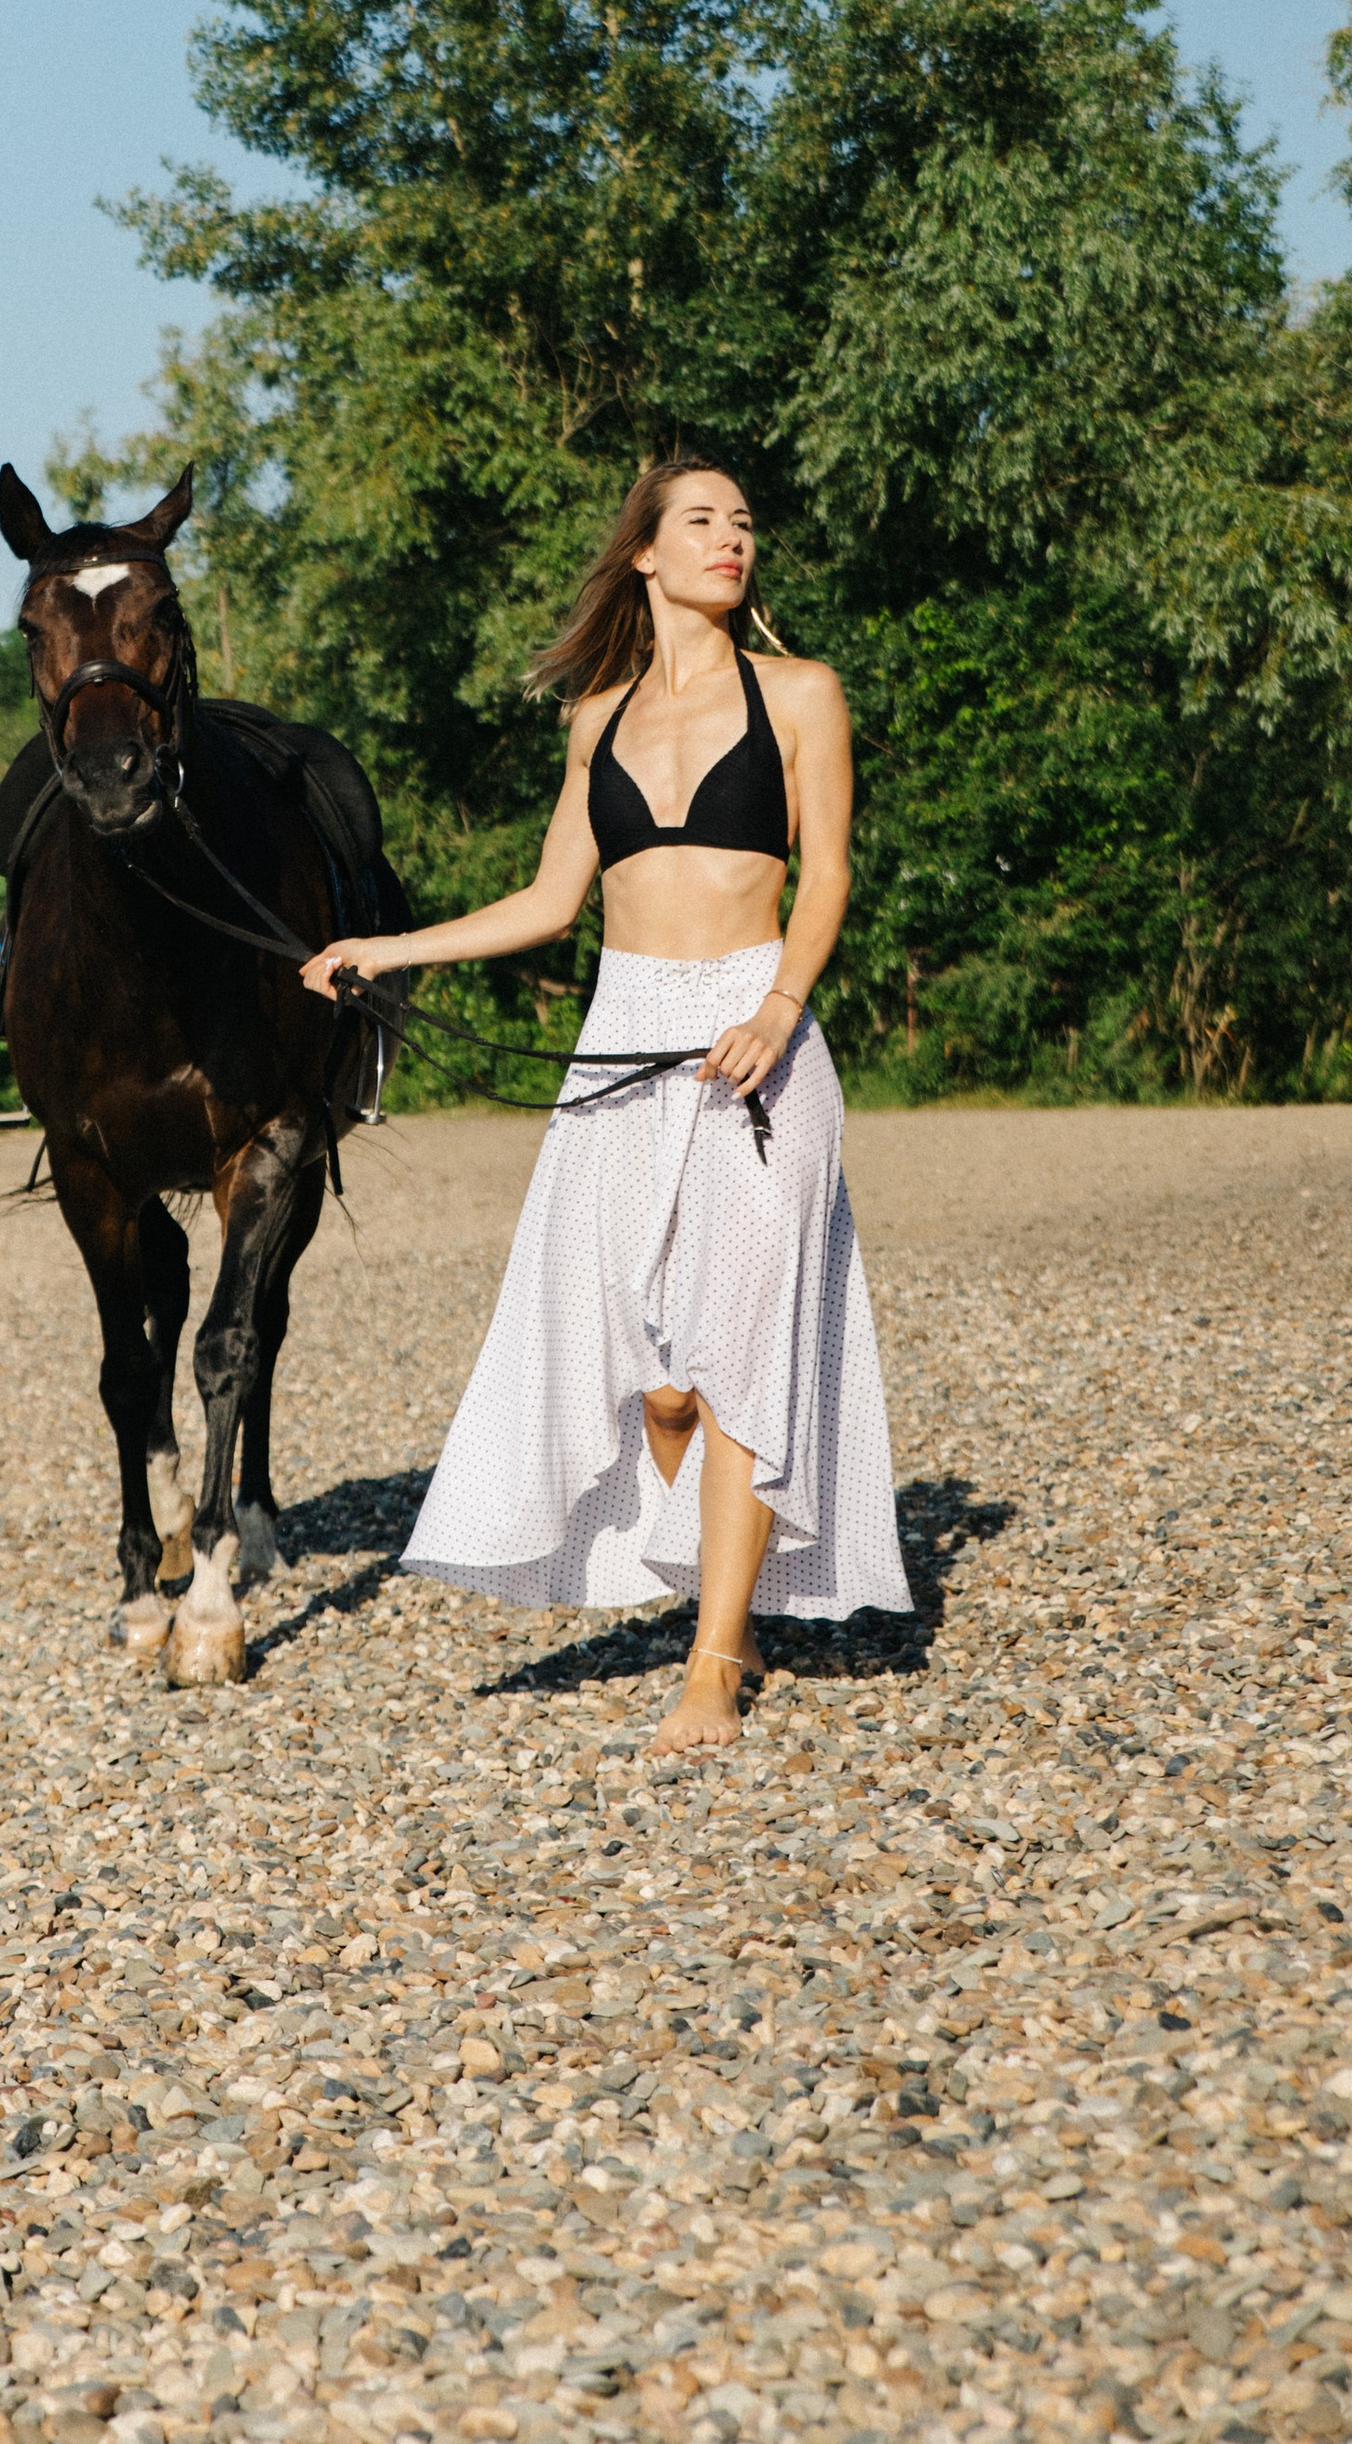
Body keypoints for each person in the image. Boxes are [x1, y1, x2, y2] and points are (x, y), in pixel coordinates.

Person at [301, 461, 909, 1753]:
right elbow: (548, 905)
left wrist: (783, 1006)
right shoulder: (598, 719)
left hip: (758, 1033)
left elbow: (830, 869)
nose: (731, 540)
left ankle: (715, 1660)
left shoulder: (800, 693)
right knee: (663, 1381)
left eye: (744, 524)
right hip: (621, 1035)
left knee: (741, 1353)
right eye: (703, 521)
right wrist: (387, 948)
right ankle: (704, 1567)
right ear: (645, 553)